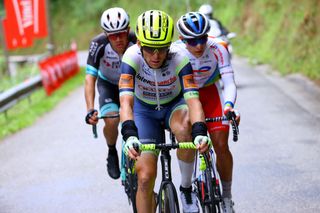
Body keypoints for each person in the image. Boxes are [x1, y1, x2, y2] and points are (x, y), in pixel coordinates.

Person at [119, 10, 211, 213]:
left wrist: (200, 131)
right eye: (150, 48)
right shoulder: (131, 57)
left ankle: (186, 189)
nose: (156, 55)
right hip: (145, 112)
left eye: (162, 49)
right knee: (144, 178)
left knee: (186, 126)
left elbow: (193, 100)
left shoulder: (180, 57)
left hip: (173, 107)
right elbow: (126, 101)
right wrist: (129, 133)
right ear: (140, 44)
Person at [175, 12, 240, 213]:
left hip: (210, 93)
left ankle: (227, 196)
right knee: (187, 138)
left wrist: (229, 106)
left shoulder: (218, 48)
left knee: (221, 144)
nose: (199, 45)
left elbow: (229, 83)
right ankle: (186, 188)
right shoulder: (174, 53)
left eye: (202, 38)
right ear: (181, 40)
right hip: (185, 97)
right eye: (192, 41)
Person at [84, 7, 136, 179]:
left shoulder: (136, 41)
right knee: (112, 119)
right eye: (113, 36)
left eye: (122, 33)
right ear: (106, 35)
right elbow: (89, 79)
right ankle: (112, 150)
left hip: (130, 84)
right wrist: (90, 109)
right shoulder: (98, 44)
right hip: (107, 84)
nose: (119, 39)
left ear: (128, 30)